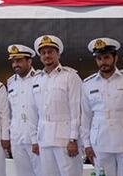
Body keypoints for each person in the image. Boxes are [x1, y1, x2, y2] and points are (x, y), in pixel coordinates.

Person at [80, 38, 123, 176]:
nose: (103, 62)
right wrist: (86, 144)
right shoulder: (88, 84)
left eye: (106, 57)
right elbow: (85, 117)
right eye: (99, 58)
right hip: (100, 142)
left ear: (115, 58)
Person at [28, 35, 83, 176]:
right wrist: (34, 140)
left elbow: (76, 109)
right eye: (43, 53)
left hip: (65, 139)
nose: (47, 56)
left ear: (58, 54)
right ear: (40, 56)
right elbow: (33, 112)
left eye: (50, 52)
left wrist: (73, 139)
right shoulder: (36, 80)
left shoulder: (70, 76)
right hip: (44, 138)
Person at [4, 44, 40, 176]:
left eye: (19, 61)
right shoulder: (11, 82)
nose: (15, 65)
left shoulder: (40, 78)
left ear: (29, 61)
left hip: (36, 137)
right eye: (13, 61)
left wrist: (37, 138)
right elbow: (9, 112)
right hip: (17, 138)